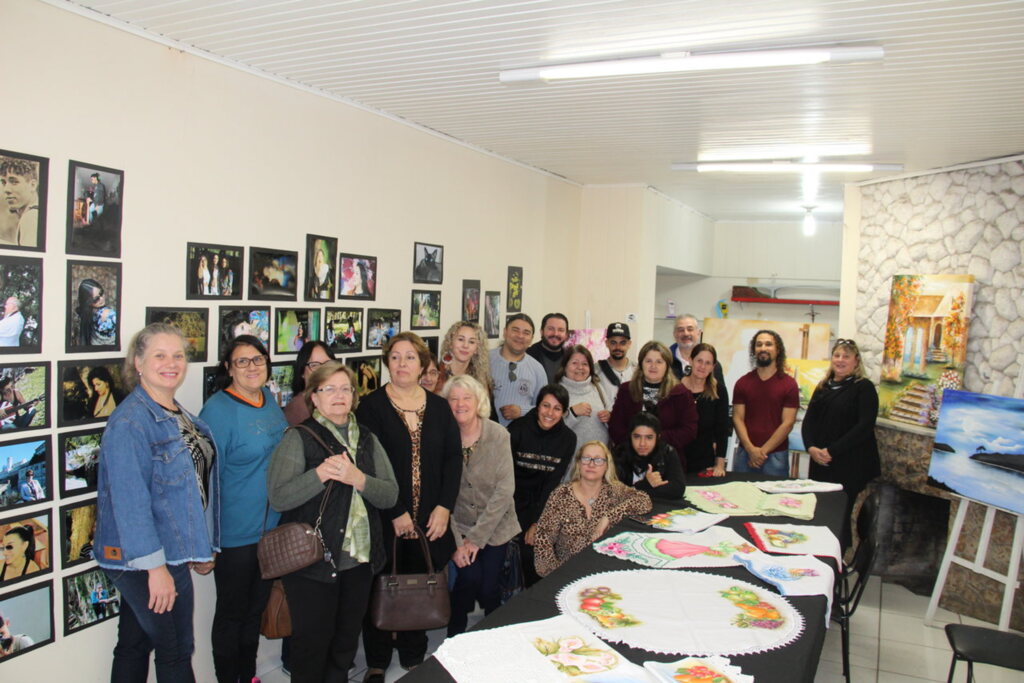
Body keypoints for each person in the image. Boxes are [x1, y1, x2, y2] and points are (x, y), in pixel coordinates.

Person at [94, 323, 219, 682]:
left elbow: (191, 486)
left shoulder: (176, 413)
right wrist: (155, 570)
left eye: (178, 355)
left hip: (169, 549)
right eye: (159, 356)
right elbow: (130, 502)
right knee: (176, 650)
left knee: (134, 644)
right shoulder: (131, 422)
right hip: (147, 557)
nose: (171, 363)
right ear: (138, 362)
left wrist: (203, 545)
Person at [268, 361, 398, 682]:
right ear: (314, 397)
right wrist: (320, 474)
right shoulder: (299, 437)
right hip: (312, 565)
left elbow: (390, 495)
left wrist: (358, 479)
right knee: (311, 648)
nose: (338, 396)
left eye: (345, 389)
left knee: (343, 646)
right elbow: (279, 497)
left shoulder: (367, 439)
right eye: (329, 389)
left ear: (354, 396)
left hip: (358, 563)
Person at [356, 332, 461, 680]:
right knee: (382, 586)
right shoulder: (371, 407)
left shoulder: (441, 407)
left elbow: (452, 461)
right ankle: (377, 660)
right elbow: (367, 467)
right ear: (387, 363)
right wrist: (395, 511)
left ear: (423, 365)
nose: (402, 364)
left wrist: (445, 507)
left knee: (418, 584)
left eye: (410, 357)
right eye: (396, 357)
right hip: (385, 517)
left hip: (430, 517)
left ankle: (414, 653)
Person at [199, 335, 288, 683]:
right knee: (231, 615)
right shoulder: (218, 411)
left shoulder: (268, 399)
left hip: (271, 529)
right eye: (242, 361)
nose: (252, 367)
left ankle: (248, 675)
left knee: (254, 613)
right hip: (235, 533)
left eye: (258, 359)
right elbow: (205, 478)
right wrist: (205, 540)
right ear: (228, 368)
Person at [442, 375, 520, 636]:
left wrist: (476, 539)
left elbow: (505, 490)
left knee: (488, 587)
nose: (460, 404)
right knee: (468, 579)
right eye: (453, 399)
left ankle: (493, 632)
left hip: (495, 525)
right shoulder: (442, 438)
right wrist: (457, 542)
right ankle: (454, 633)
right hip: (458, 525)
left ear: (479, 402)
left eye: (467, 398)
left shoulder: (498, 435)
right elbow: (441, 495)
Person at [802, 339, 881, 547]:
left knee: (840, 515)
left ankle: (837, 557)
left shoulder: (863, 388)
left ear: (856, 361)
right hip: (820, 463)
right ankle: (819, 550)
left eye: (846, 356)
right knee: (820, 511)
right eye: (837, 355)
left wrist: (832, 451)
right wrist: (810, 447)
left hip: (848, 465)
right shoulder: (823, 386)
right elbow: (808, 421)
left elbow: (864, 427)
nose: (840, 360)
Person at [534, 441, 651, 577]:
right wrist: (555, 576)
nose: (591, 464)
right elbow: (543, 540)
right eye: (586, 458)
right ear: (578, 463)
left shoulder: (614, 490)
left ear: (607, 465)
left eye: (598, 460)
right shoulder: (561, 495)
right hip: (568, 572)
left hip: (606, 572)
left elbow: (644, 501)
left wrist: (608, 517)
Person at [508, 384, 576, 587]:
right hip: (510, 501)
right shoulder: (516, 429)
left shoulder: (568, 439)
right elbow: (505, 478)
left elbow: (552, 484)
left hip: (542, 504)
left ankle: (531, 599)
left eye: (557, 408)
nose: (550, 413)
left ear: (564, 412)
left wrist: (537, 523)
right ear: (537, 406)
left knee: (536, 552)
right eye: (546, 406)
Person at [608, 341, 698, 469]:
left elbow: (689, 431)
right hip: (630, 463)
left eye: (659, 362)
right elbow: (615, 427)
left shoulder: (681, 393)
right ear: (641, 364)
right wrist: (636, 443)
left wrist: (655, 439)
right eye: (648, 361)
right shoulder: (626, 390)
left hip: (668, 462)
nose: (653, 366)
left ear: (667, 365)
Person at [732, 330, 800, 477]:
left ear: (778, 349)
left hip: (776, 456)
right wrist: (751, 450)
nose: (763, 348)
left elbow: (788, 423)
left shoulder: (789, 385)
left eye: (768, 344)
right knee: (739, 497)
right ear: (754, 350)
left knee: (775, 500)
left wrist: (761, 453)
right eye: (759, 344)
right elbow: (737, 418)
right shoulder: (743, 383)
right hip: (745, 454)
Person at [680, 343, 731, 477]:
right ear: (691, 360)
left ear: (713, 367)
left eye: (708, 363)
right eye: (699, 361)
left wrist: (719, 465)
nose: (702, 366)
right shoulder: (676, 388)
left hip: (704, 461)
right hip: (677, 459)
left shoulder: (719, 391)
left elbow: (722, 430)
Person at [489, 314, 547, 426]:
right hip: (487, 434)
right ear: (505, 332)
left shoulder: (537, 369)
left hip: (523, 436)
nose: (520, 336)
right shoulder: (485, 361)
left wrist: (522, 411)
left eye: (526, 333)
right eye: (515, 330)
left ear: (531, 338)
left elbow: (545, 407)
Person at [614, 413, 686, 501]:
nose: (642, 443)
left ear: (658, 437)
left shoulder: (667, 452)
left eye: (649, 437)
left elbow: (677, 489)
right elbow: (614, 493)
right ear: (630, 436)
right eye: (637, 437)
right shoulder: (619, 454)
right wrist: (645, 484)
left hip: (660, 508)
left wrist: (636, 490)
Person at [558, 345, 611, 451]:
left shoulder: (597, 387)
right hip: (571, 462)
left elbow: (611, 414)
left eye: (585, 364)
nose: (580, 367)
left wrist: (609, 417)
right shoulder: (557, 392)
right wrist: (572, 413)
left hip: (599, 459)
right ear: (565, 366)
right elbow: (551, 429)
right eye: (574, 363)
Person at [434, 321, 493, 397]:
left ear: (477, 349)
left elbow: (484, 407)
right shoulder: (436, 374)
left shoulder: (480, 378)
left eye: (471, 342)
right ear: (450, 343)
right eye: (461, 339)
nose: (465, 346)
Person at [284, 341, 335, 426]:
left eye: (328, 364)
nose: (322, 370)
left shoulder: (339, 399)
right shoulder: (297, 408)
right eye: (314, 365)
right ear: (302, 372)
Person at [0, 157, 39, 247]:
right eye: (3, 182)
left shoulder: (31, 217)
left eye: (14, 182)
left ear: (32, 185)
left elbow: (29, 258)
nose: (6, 189)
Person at [596, 322, 636, 404]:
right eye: (613, 343)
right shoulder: (595, 370)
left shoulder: (638, 370)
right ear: (607, 343)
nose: (618, 347)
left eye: (623, 343)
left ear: (629, 344)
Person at [527, 313, 570, 383]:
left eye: (561, 330)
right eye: (551, 329)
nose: (555, 334)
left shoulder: (570, 357)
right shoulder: (528, 356)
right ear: (542, 332)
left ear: (566, 335)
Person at [77, 279, 117, 346]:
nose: (101, 299)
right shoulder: (110, 314)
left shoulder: (85, 314)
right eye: (96, 299)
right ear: (88, 301)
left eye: (101, 293)